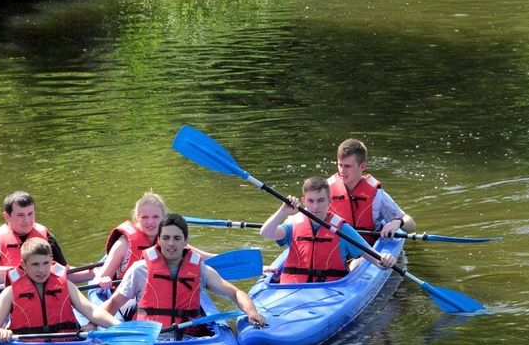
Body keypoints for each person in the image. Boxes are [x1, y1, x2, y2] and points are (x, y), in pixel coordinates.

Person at [100, 214, 266, 331]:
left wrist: (252, 312)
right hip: (152, 340)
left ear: (186, 241)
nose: (170, 243)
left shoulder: (200, 269)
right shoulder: (139, 269)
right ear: (158, 240)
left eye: (177, 238)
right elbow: (114, 304)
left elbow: (235, 293)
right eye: (165, 238)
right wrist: (95, 325)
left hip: (191, 339)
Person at [259, 176, 396, 283]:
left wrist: (385, 261)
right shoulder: (293, 226)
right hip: (291, 290)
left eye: (320, 200)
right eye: (311, 201)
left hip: (330, 291)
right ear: (304, 201)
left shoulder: (343, 230)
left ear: (329, 201)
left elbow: (376, 260)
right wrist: (283, 211)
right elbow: (266, 233)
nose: (315, 207)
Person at [0, 238, 120, 342]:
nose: (41, 270)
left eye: (45, 263)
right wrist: (0, 332)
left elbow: (93, 311)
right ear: (23, 265)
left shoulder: (66, 285)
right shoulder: (10, 293)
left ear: (51, 261)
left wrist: (118, 327)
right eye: (35, 264)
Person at [96, 191, 215, 289]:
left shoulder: (169, 241)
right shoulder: (123, 245)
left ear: (164, 218)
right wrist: (104, 279)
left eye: (156, 217)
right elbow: (100, 278)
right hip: (129, 299)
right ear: (137, 218)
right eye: (144, 217)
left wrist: (230, 259)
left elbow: (207, 258)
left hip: (161, 294)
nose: (150, 222)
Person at [0, 191, 93, 285]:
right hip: (10, 301)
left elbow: (64, 272)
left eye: (30, 214)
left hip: (46, 297)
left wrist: (95, 273)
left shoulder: (48, 238)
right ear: (7, 216)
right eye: (20, 215)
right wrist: (33, 270)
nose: (27, 220)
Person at [328, 138, 415, 243]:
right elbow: (306, 218)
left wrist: (397, 222)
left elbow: (411, 224)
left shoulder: (376, 195)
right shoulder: (326, 190)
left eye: (347, 166)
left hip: (366, 249)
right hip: (335, 249)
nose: (342, 171)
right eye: (340, 165)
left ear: (362, 166)